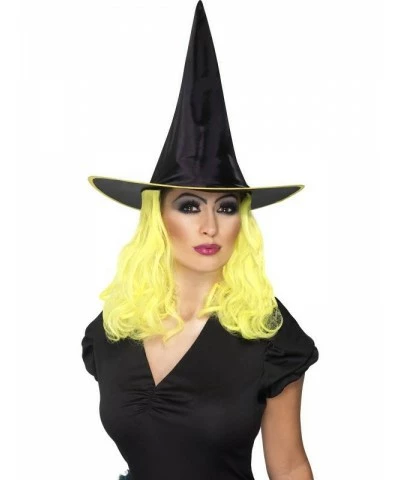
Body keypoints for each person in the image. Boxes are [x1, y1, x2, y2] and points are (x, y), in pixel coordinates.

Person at [81, 2, 319, 479]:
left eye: (226, 207)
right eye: (189, 206)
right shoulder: (113, 330)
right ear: (158, 218)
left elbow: (290, 467)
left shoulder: (269, 334)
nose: (210, 225)